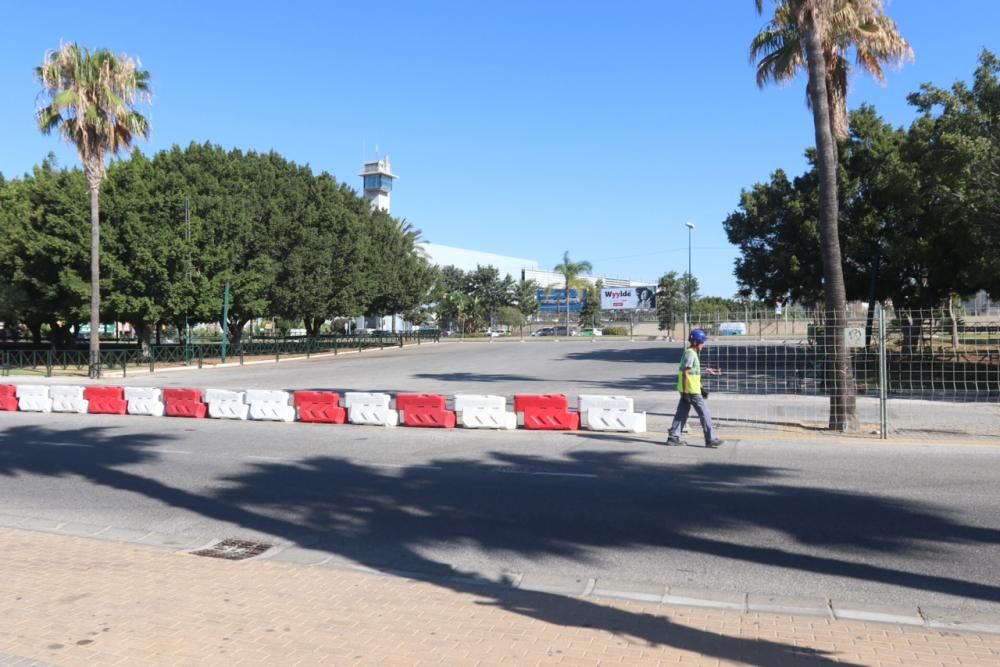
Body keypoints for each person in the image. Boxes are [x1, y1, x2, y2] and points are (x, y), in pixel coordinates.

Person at [667, 328, 723, 447]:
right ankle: (710, 439)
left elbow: (694, 374)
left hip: (690, 390)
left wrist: (701, 388)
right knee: (705, 413)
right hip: (691, 391)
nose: (703, 345)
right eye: (702, 342)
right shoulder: (691, 354)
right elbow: (686, 374)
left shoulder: (691, 353)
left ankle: (673, 437)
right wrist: (687, 392)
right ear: (696, 342)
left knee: (681, 414)